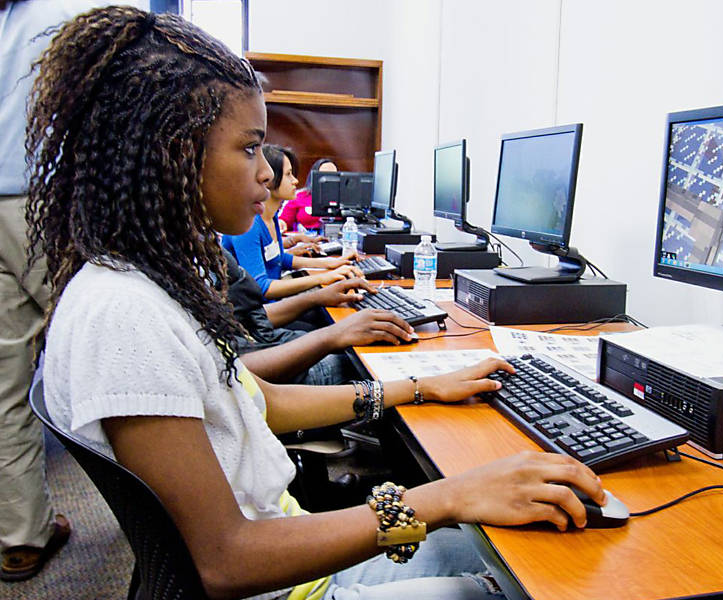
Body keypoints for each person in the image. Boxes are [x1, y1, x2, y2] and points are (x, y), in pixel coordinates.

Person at [26, 7, 605, 600]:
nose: (265, 173)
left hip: (293, 547)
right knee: (539, 578)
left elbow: (262, 403)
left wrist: (422, 388)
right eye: (249, 149)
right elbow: (225, 562)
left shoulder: (141, 283)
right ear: (171, 151)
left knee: (519, 542)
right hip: (282, 582)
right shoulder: (123, 316)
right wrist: (447, 494)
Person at [0, 0, 104, 582]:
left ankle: (20, 537)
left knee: (4, 386)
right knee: (111, 359)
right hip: (43, 206)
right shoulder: (68, 12)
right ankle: (171, 514)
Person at [223, 248, 415, 385]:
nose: (264, 193)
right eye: (258, 187)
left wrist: (317, 297)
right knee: (390, 367)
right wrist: (334, 335)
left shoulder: (203, 247)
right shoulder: (197, 264)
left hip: (264, 349)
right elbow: (236, 373)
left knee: (363, 345)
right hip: (272, 382)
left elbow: (248, 317)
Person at [222, 144, 360, 301]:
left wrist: (330, 263)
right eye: (288, 175)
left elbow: (281, 258)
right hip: (258, 315)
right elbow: (261, 287)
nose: (295, 181)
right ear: (267, 178)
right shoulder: (248, 224)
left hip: (272, 306)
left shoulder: (270, 217)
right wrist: (324, 277)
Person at [280, 158, 337, 233]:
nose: (329, 179)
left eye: (333, 175)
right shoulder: (299, 196)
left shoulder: (344, 198)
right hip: (306, 240)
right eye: (324, 174)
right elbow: (283, 221)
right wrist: (281, 223)